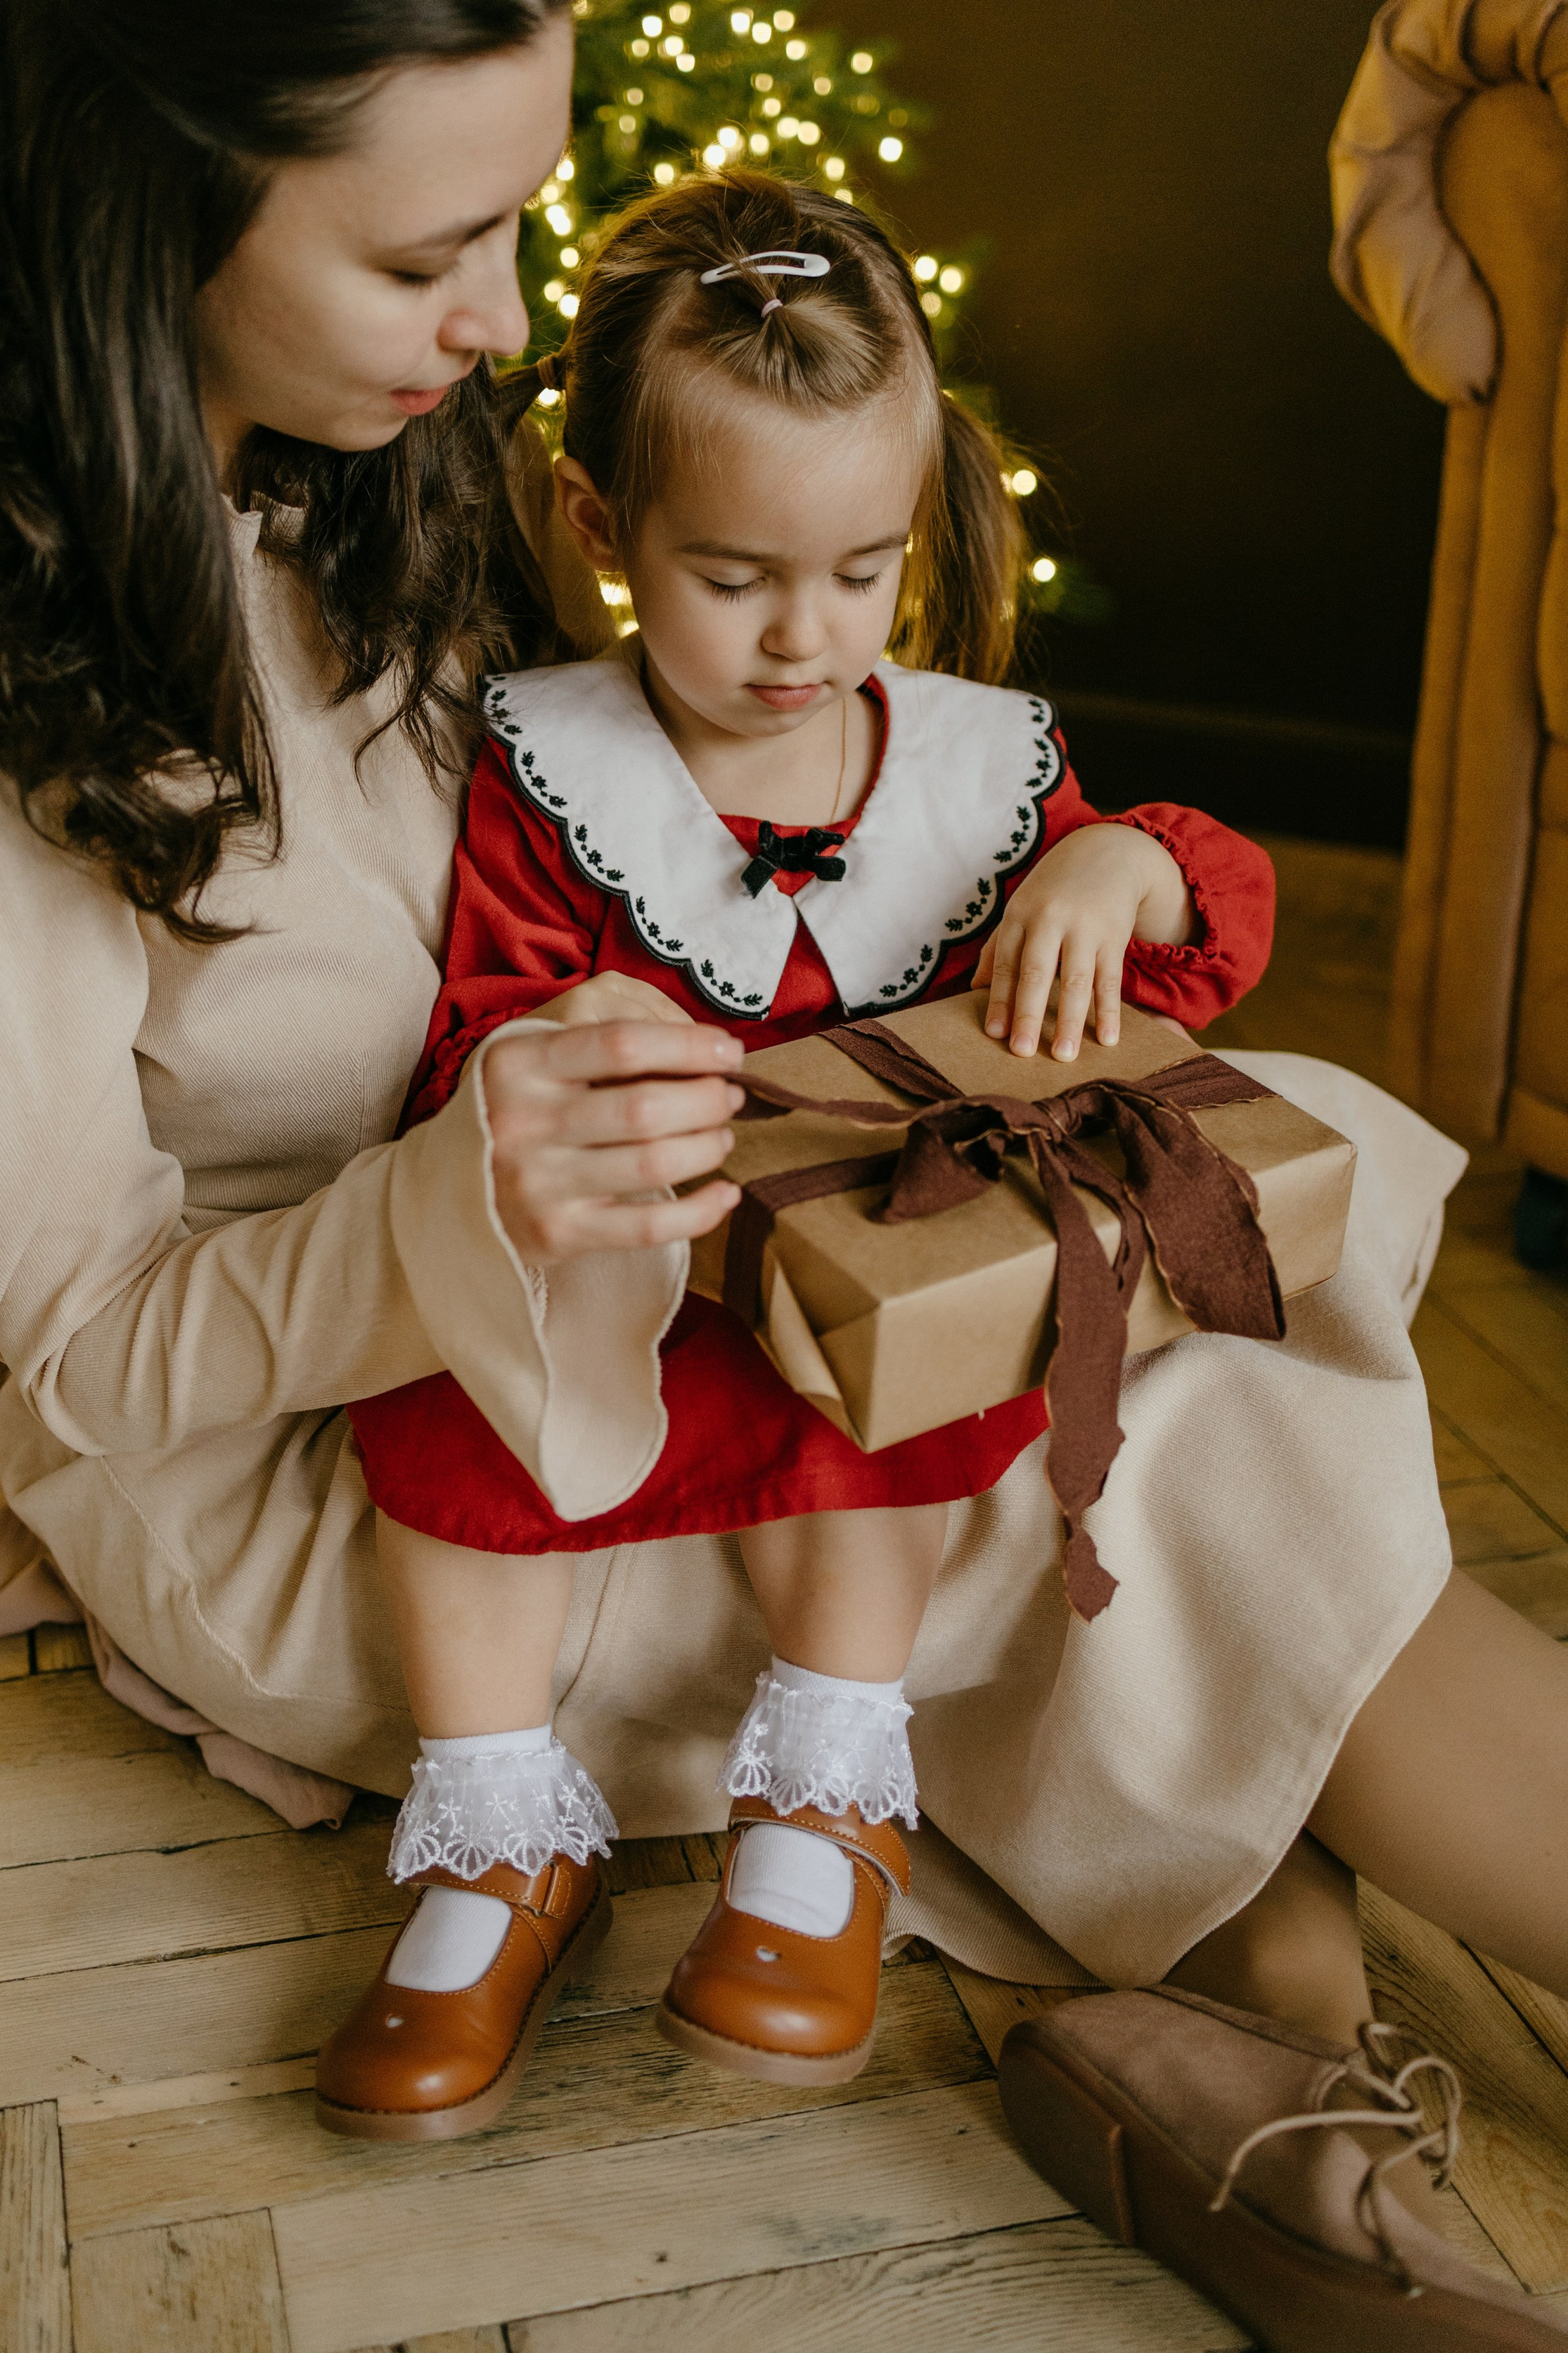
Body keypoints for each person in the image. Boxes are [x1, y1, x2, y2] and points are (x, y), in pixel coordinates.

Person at [0, 0, 1563, 2346]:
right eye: (418, 253)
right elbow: (101, 1362)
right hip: (375, 1466)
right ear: (150, 194)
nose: (500, 327)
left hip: (711, 1258)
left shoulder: (387, 462)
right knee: (1147, 1447)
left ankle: (1287, 2122)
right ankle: (1285, 2101)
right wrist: (449, 1207)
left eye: (515, 224)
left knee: (1119, 1301)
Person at [325, 168, 1277, 2139]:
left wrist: (1122, 857)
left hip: (884, 1251)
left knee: (880, 1409)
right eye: (737, 575)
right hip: (641, 1246)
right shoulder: (550, 764)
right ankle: (494, 1835)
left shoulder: (966, 764)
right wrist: (554, 1059)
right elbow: (482, 1013)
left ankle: (824, 1807)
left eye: (858, 571)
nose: (801, 637)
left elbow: (1208, 939)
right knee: (444, 1417)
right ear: (601, 528)